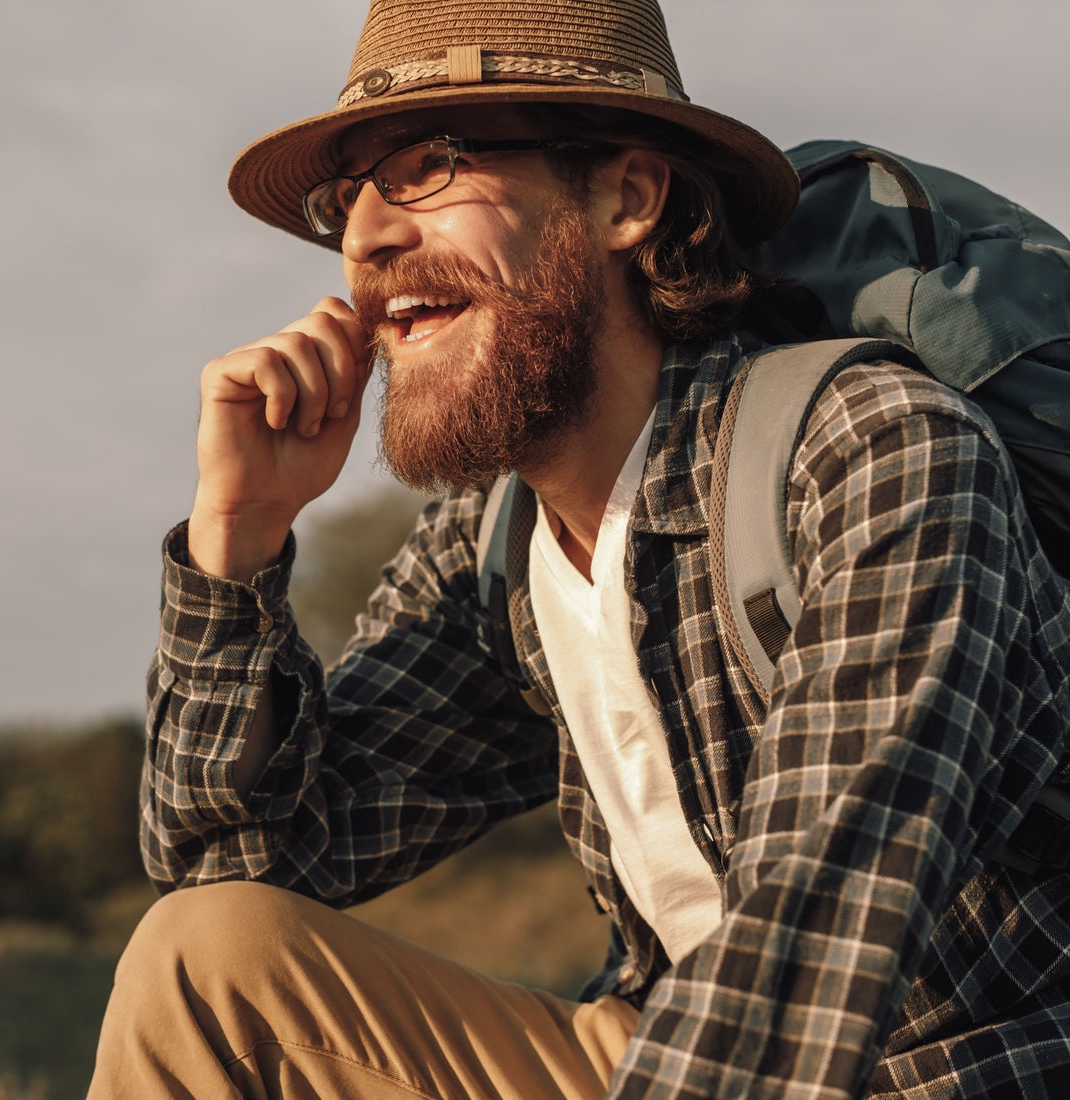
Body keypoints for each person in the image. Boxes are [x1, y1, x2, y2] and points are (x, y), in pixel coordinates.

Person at [88, 0, 1070, 1097]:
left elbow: (804, 961)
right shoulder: (490, 540)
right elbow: (235, 861)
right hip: (662, 1049)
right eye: (349, 192)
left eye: (428, 165)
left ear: (626, 197)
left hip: (927, 1066)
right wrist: (237, 539)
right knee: (205, 961)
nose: (363, 237)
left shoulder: (873, 452)